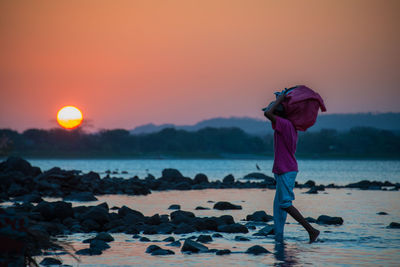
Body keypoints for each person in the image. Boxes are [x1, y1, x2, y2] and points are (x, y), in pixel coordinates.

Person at [264, 93, 320, 243]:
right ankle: (279, 235)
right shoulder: (287, 125)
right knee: (278, 206)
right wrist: (278, 101)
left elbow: (267, 113)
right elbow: (270, 112)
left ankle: (311, 230)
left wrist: (280, 99)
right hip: (283, 169)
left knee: (285, 203)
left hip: (286, 169)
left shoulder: (285, 124)